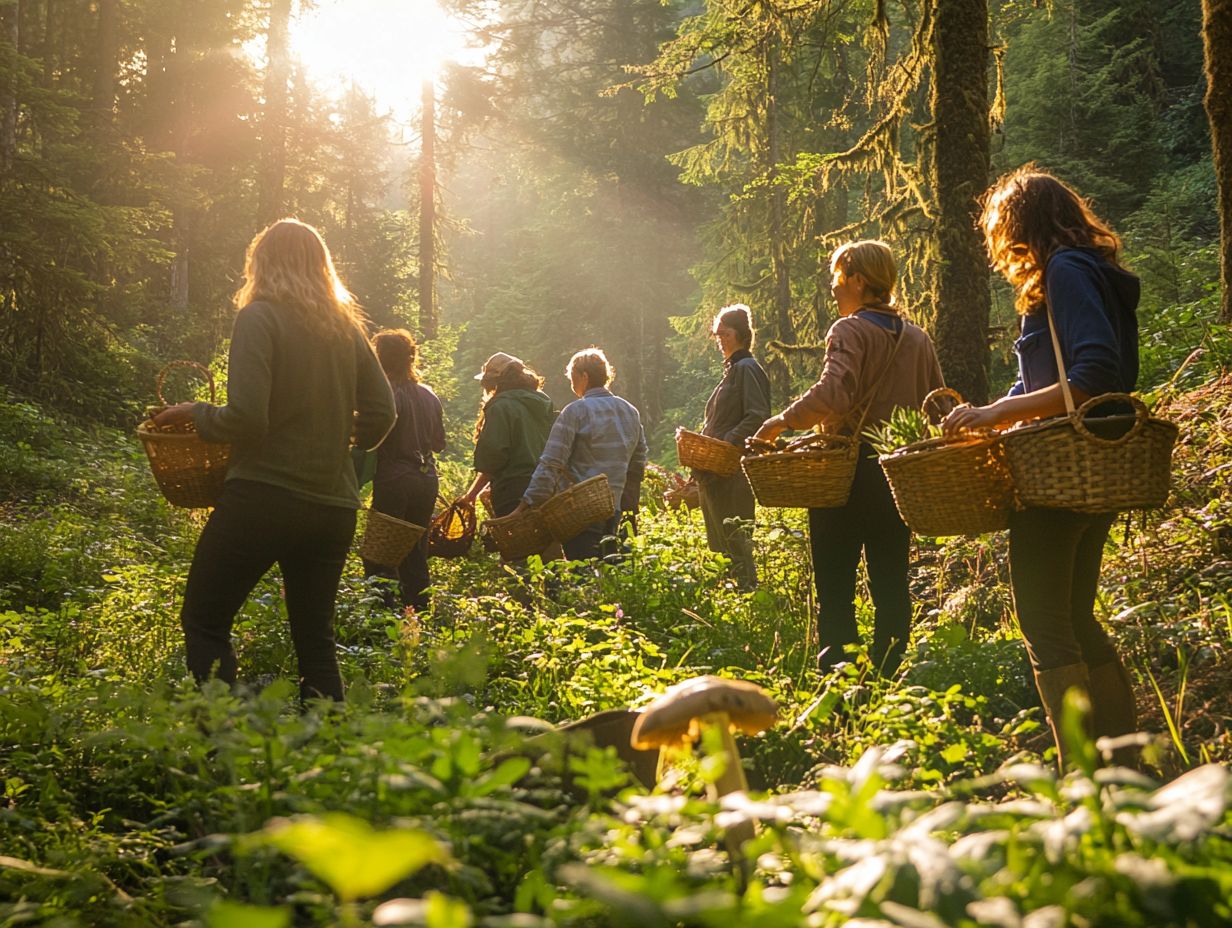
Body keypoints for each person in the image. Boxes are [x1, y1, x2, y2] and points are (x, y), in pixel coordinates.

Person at [942, 165, 1141, 767]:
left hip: (1063, 468)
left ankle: (1082, 774)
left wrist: (999, 411)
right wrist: (1008, 406)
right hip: (1097, 462)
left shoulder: (1066, 270)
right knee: (1076, 615)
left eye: (1002, 223)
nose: (1000, 237)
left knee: (1043, 620)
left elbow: (1093, 376)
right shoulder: (1089, 270)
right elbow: (1061, 378)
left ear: (1022, 221)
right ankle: (1125, 767)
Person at [152, 219, 396, 701]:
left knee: (204, 619)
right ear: (321, 267)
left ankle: (222, 742)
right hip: (332, 506)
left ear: (260, 262)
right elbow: (384, 411)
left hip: (264, 497)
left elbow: (247, 418)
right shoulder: (346, 329)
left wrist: (196, 413)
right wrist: (342, 448)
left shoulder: (259, 317)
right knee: (316, 641)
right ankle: (325, 758)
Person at [752, 240, 944, 676]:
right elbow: (937, 408)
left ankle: (840, 680)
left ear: (859, 280)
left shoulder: (849, 330)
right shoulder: (918, 337)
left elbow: (834, 393)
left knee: (835, 584)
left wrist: (780, 422)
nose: (834, 289)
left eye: (838, 278)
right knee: (892, 581)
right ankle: (890, 676)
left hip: (846, 473)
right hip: (898, 473)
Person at [516, 348, 648, 561]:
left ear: (584, 376)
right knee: (613, 575)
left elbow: (551, 462)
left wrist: (528, 503)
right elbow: (638, 460)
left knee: (583, 577)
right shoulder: (629, 411)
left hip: (580, 513)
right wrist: (627, 500)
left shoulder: (575, 412)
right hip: (615, 509)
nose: (571, 384)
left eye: (572, 377)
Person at [363, 329, 446, 611]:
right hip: (426, 480)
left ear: (380, 358)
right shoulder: (429, 395)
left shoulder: (384, 395)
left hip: (394, 479)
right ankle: (419, 614)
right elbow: (438, 443)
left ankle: (381, 617)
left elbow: (369, 439)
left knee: (380, 551)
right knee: (416, 550)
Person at [695, 304, 771, 590]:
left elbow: (757, 415)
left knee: (737, 540)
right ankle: (732, 601)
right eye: (717, 335)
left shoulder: (747, 368)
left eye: (724, 334)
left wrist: (726, 443)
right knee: (719, 545)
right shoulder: (731, 370)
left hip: (733, 471)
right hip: (715, 473)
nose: (719, 340)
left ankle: (747, 597)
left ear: (739, 334)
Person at [460, 352, 555, 521]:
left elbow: (492, 458)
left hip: (513, 489)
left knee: (517, 543)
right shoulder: (542, 403)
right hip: (546, 485)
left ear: (494, 382)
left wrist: (471, 495)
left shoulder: (500, 407)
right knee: (549, 540)